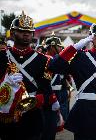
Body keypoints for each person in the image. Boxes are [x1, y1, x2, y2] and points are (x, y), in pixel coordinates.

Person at [48, 18, 96, 140]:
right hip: (84, 112)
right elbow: (54, 66)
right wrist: (74, 48)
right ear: (91, 38)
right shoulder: (79, 57)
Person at [0, 11, 57, 140]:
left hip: (32, 115)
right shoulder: (2, 56)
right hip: (6, 115)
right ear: (13, 33)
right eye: (21, 31)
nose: (26, 34)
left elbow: (48, 91)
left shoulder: (44, 60)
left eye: (29, 31)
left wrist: (36, 100)